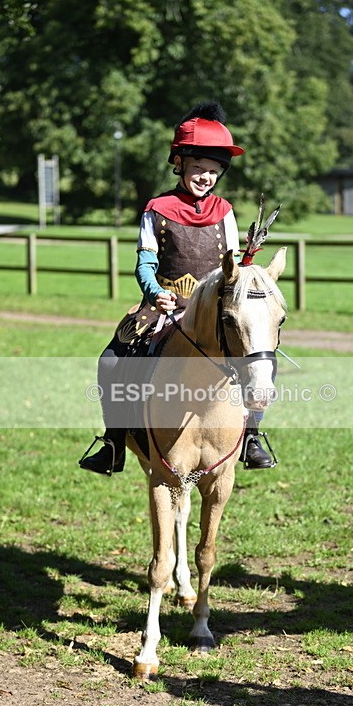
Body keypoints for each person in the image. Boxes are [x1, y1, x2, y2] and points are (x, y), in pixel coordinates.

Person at [79, 101, 274, 475]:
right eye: (198, 168)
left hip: (212, 311)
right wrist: (154, 292)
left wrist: (248, 262)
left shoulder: (225, 211)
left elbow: (230, 265)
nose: (205, 177)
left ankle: (251, 435)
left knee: (259, 353)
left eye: (213, 171)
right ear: (180, 164)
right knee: (111, 360)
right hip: (162, 304)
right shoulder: (158, 208)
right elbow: (145, 261)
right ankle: (114, 442)